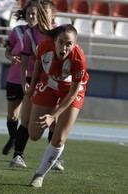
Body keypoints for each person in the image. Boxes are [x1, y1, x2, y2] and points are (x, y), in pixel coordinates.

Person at [27, 24, 89, 187]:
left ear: (75, 44)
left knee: (60, 137)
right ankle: (55, 123)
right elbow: (38, 66)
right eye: (61, 42)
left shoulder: (78, 60)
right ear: (55, 41)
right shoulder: (44, 47)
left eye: (69, 43)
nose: (64, 47)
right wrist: (32, 86)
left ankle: (39, 175)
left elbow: (73, 93)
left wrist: (54, 115)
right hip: (49, 84)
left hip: (71, 91)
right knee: (33, 134)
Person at [9, 0, 61, 169]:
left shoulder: (60, 32)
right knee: (26, 119)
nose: (42, 15)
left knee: (55, 120)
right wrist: (24, 82)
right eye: (39, 12)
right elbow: (24, 60)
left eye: (45, 12)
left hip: (54, 81)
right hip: (34, 79)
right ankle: (17, 156)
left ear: (53, 14)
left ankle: (53, 159)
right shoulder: (30, 34)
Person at [2, 0, 38, 156]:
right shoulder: (17, 31)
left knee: (26, 118)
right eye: (29, 13)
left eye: (34, 14)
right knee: (12, 115)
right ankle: (13, 138)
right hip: (16, 77)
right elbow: (8, 50)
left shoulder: (44, 34)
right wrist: (11, 57)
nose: (31, 16)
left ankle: (18, 148)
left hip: (34, 79)